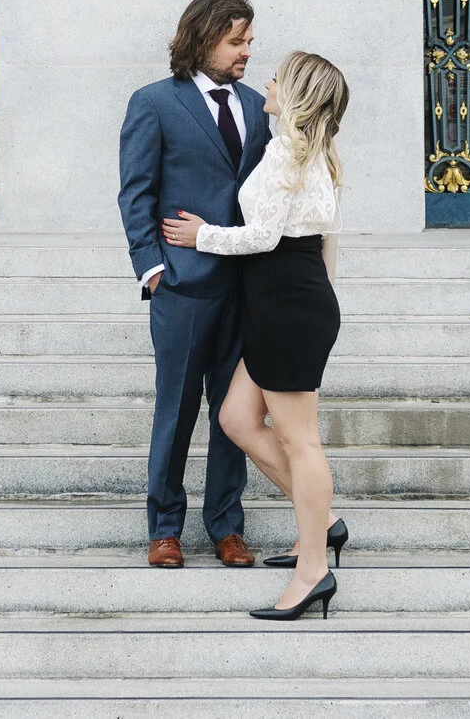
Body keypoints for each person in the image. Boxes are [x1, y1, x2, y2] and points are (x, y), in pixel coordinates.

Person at [162, 49, 349, 620]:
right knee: (237, 419)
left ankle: (313, 571)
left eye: (277, 76)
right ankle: (321, 521)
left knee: (301, 440)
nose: (265, 79)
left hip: (288, 304)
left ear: (292, 94)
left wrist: (202, 237)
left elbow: (264, 237)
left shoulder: (289, 155)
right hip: (288, 302)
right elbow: (326, 245)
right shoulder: (311, 155)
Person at [116, 0, 272, 569]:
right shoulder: (154, 102)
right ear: (205, 37)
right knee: (176, 411)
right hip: (181, 286)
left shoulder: (259, 107)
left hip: (244, 286)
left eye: (250, 40)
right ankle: (164, 528)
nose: (246, 52)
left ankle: (226, 527)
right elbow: (136, 193)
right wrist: (152, 268)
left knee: (236, 415)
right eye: (237, 40)